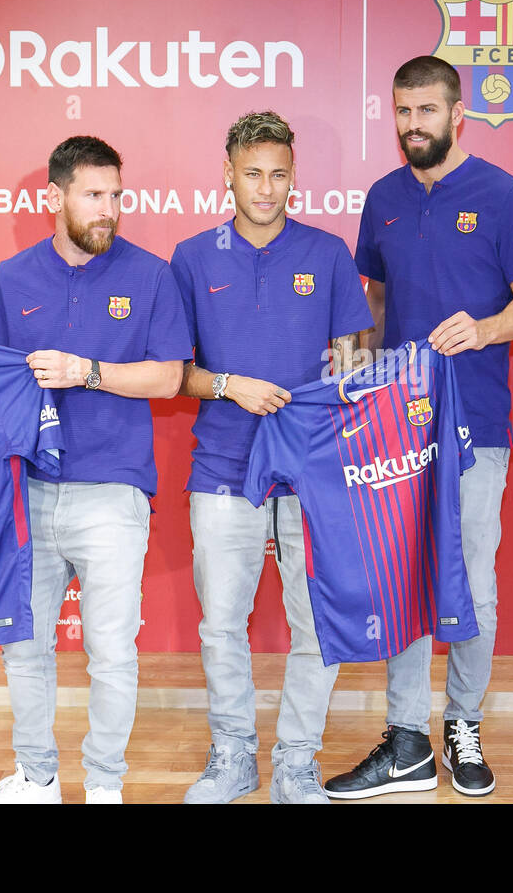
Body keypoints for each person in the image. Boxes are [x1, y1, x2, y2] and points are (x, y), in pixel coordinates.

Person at [324, 56, 513, 799]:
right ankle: (408, 738)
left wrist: (482, 331)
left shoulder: (502, 193)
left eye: (425, 111)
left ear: (458, 114)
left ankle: (464, 721)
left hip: (475, 423)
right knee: (403, 583)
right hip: (396, 426)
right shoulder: (383, 197)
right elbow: (376, 308)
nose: (412, 125)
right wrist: (355, 369)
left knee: (474, 585)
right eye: (401, 112)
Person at [170, 111, 373, 804]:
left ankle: (296, 760)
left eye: (278, 174)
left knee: (314, 620)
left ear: (294, 176)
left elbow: (355, 365)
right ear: (227, 173)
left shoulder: (327, 252)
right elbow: (175, 373)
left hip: (314, 475)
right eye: (252, 173)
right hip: (222, 466)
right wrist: (231, 385)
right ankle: (231, 755)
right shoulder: (193, 257)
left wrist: (338, 395)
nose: (266, 188)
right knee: (222, 620)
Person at [0, 136, 189, 804]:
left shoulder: (152, 275)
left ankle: (104, 785)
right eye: (94, 196)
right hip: (30, 492)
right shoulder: (11, 279)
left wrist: (86, 372)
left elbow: (168, 377)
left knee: (113, 653)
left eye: (117, 196)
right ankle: (38, 777)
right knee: (26, 649)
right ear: (55, 198)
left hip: (113, 491)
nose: (109, 210)